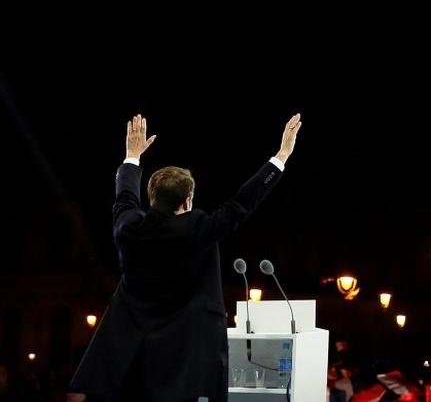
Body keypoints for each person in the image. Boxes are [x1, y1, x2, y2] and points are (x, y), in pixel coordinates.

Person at [67, 113, 302, 402]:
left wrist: (132, 156)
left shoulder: (128, 227)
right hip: (185, 365)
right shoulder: (199, 228)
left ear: (151, 197)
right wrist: (280, 156)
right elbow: (242, 203)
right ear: (187, 201)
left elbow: (125, 195)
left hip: (134, 361)